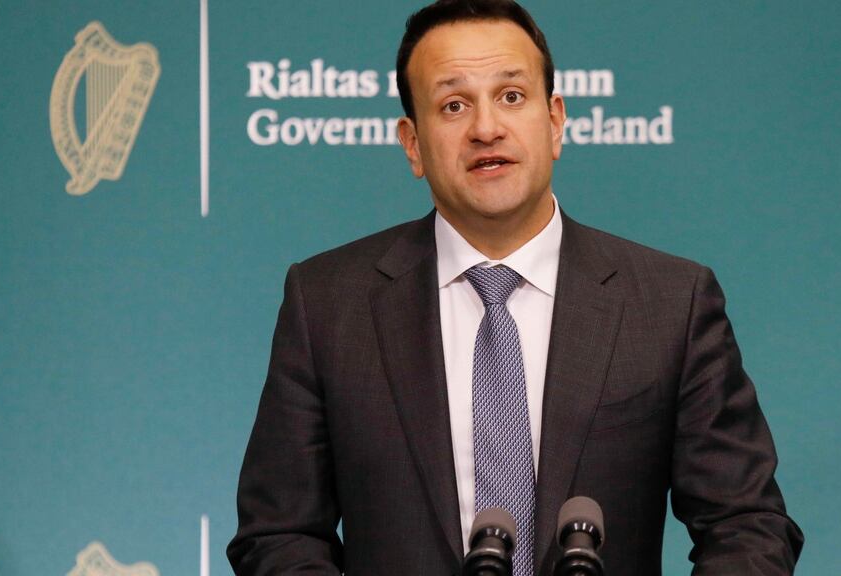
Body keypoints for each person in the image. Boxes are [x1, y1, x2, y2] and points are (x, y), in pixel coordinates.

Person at [227, 1, 803, 574]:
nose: (485, 128)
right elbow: (279, 533)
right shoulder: (328, 302)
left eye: (510, 96)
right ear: (412, 143)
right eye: (453, 104)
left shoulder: (671, 302)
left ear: (555, 121)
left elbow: (746, 523)